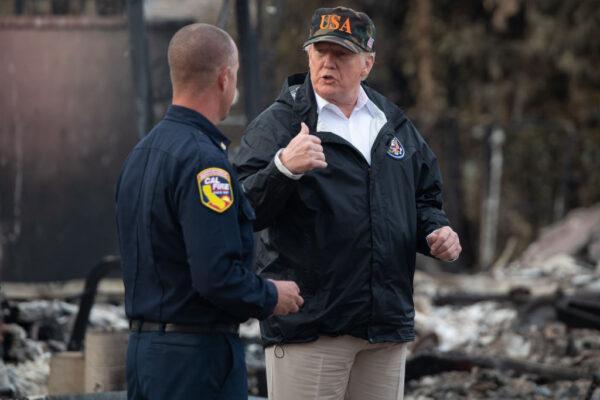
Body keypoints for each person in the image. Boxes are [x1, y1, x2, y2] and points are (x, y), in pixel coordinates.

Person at [233, 6, 461, 400]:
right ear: (308, 55)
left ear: (367, 64)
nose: (328, 63)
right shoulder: (280, 124)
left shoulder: (393, 124)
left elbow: (424, 196)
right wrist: (283, 168)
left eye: (341, 54)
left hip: (383, 330)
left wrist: (436, 231)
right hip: (312, 329)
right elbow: (239, 210)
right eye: (320, 52)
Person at [115, 23, 303, 400]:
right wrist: (269, 295)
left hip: (143, 353)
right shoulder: (205, 162)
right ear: (224, 78)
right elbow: (215, 275)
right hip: (195, 361)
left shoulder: (143, 152)